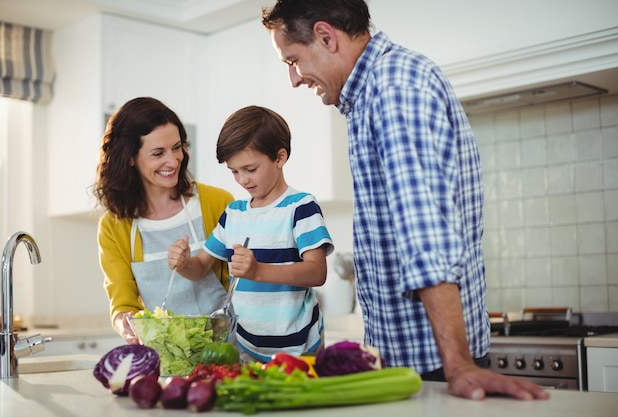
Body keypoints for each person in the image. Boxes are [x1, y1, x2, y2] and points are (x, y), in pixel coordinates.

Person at [261, 0, 549, 401]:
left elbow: (424, 233)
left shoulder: (394, 89)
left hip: (437, 363)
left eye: (293, 60)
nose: (293, 79)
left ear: (326, 37)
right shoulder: (372, 93)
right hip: (417, 357)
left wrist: (459, 366)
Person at [168, 105, 334, 362]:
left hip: (300, 346)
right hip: (247, 347)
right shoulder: (234, 214)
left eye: (250, 169)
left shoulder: (301, 207)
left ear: (279, 158)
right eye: (234, 171)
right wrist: (182, 263)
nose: (242, 180)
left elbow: (317, 272)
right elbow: (200, 267)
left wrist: (258, 271)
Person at [93, 97, 234, 344]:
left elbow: (240, 285)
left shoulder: (217, 203)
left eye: (177, 147)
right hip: (168, 360)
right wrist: (126, 323)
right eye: (158, 153)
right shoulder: (114, 227)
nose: (173, 161)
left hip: (227, 352)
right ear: (130, 158)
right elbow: (122, 300)